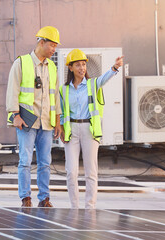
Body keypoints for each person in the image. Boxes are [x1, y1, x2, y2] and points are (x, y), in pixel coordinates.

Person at [6, 26, 63, 207]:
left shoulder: (52, 66)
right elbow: (12, 90)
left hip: (46, 121)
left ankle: (44, 198)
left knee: (45, 163)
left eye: (55, 46)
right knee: (25, 161)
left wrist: (58, 120)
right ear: (41, 42)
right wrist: (15, 115)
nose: (54, 49)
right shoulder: (21, 63)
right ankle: (25, 197)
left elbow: (55, 95)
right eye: (52, 45)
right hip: (27, 121)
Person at [59, 49, 123, 209]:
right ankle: (74, 207)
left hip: (89, 129)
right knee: (71, 172)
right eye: (78, 65)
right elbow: (61, 112)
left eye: (84, 65)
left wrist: (114, 68)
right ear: (71, 68)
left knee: (91, 171)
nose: (82, 68)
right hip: (71, 130)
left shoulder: (93, 84)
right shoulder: (63, 90)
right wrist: (60, 128)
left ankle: (90, 207)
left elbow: (104, 79)